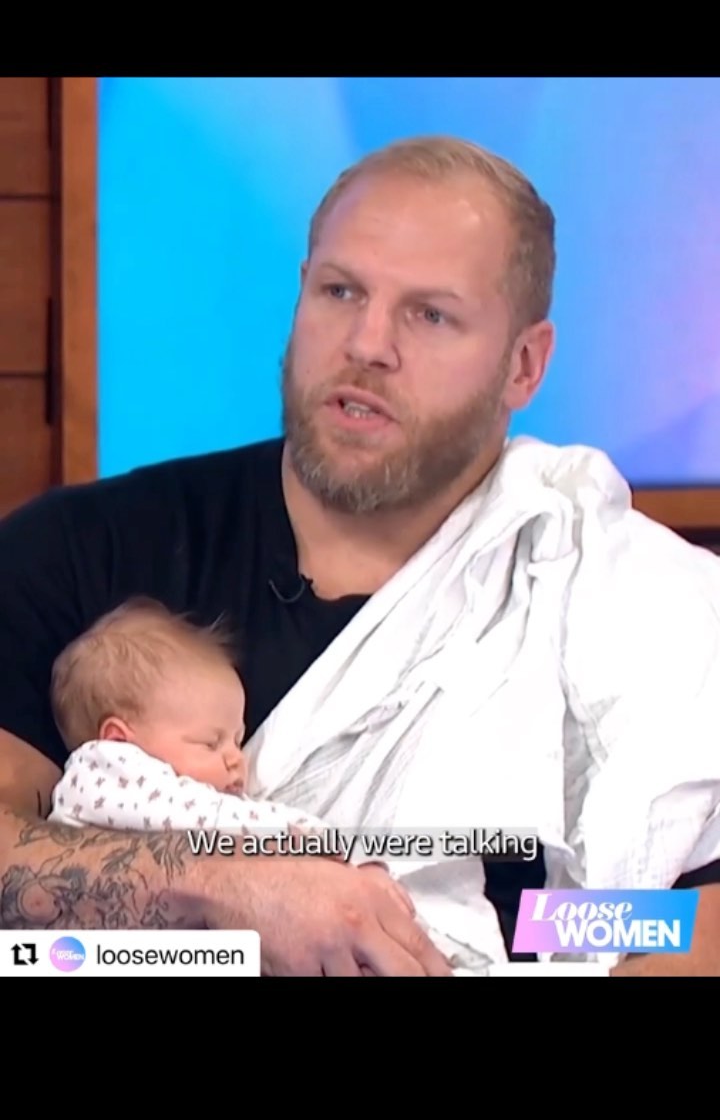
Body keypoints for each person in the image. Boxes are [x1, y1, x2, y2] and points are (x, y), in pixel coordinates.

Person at [1, 133, 719, 977]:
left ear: (524, 366)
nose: (368, 343)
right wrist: (222, 890)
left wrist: (504, 928)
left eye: (430, 314)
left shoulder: (627, 600)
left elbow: (686, 930)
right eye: (341, 291)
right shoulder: (80, 553)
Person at [46, 595, 507, 972]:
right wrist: (340, 852)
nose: (236, 759)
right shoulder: (105, 774)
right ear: (119, 739)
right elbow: (227, 822)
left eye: (237, 739)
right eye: (210, 742)